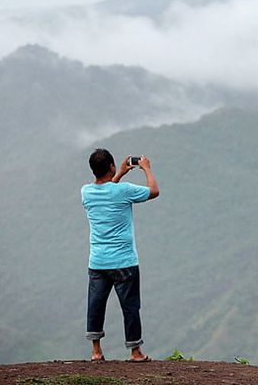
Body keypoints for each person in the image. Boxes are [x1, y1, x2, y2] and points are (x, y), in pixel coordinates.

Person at [81, 149, 159, 362]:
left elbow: (106, 190)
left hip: (98, 261)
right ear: (111, 167)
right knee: (130, 307)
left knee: (96, 305)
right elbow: (154, 191)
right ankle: (135, 352)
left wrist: (119, 174)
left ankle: (96, 351)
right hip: (125, 261)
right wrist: (147, 169)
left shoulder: (86, 192)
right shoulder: (124, 191)